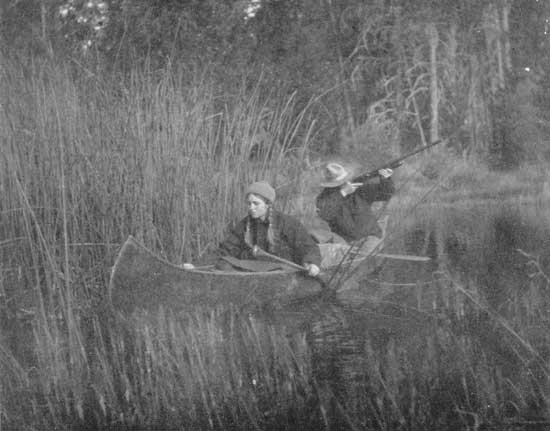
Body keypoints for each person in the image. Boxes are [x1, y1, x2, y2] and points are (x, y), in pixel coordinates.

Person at [184, 181, 321, 277]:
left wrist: (312, 263)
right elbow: (225, 249)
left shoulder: (286, 223)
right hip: (255, 267)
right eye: (249, 203)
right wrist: (196, 265)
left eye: (256, 203)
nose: (251, 207)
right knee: (222, 264)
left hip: (280, 268)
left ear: (268, 204)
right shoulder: (245, 224)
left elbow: (308, 246)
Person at [315, 162, 394, 267]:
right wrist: (342, 193)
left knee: (358, 263)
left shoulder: (360, 190)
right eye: (339, 183)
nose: (344, 183)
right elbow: (325, 214)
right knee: (332, 257)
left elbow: (385, 194)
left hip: (370, 237)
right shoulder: (324, 198)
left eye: (344, 181)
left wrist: (386, 179)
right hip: (344, 241)